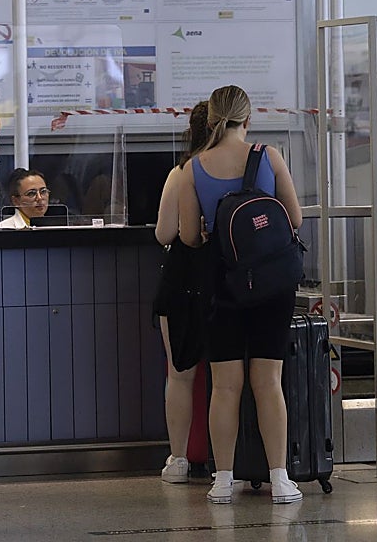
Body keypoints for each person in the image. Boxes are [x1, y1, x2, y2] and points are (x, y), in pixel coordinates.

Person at [178, 85, 304, 505]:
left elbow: (188, 237)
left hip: (222, 285)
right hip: (272, 284)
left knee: (225, 386)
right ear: (248, 119)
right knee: (269, 382)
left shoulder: (193, 167)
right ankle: (281, 478)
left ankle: (223, 479)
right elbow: (295, 218)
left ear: (211, 119)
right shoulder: (269, 157)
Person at [153, 100, 210, 484]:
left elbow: (163, 234)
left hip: (182, 281)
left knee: (180, 374)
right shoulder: (245, 168)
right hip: (229, 281)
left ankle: (178, 459)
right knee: (229, 377)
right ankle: (231, 460)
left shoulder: (181, 172)